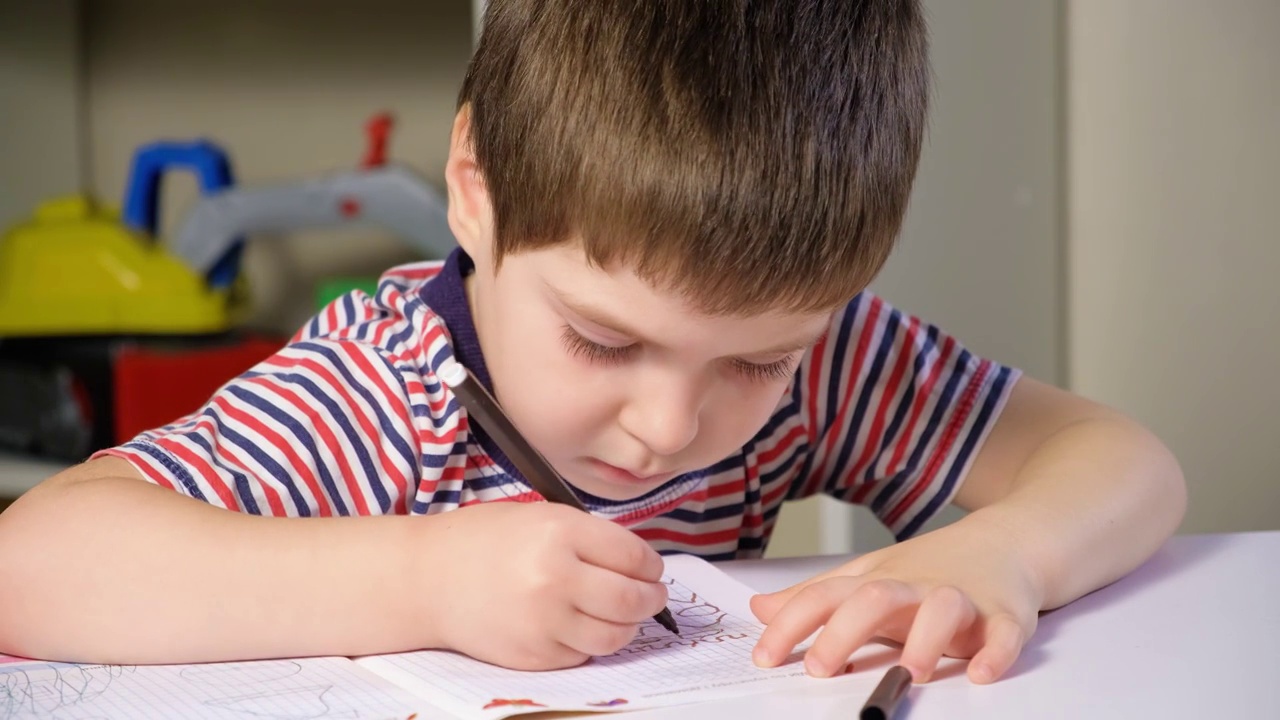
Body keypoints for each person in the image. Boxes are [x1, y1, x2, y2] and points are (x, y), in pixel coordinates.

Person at [0, 0, 1185, 685]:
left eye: (753, 364)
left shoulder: (816, 358)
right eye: (601, 342)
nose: (672, 426)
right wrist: (422, 578)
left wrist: (1004, 560)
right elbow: (33, 567)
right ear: (475, 190)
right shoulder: (395, 380)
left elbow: (1121, 462)